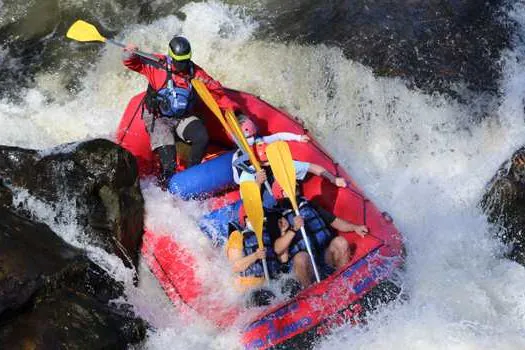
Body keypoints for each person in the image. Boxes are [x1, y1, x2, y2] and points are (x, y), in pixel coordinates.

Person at [122, 36, 238, 187]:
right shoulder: (156, 64)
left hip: (182, 117)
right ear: (171, 57)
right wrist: (129, 53)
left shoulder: (194, 72)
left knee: (201, 137)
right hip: (158, 117)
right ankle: (165, 187)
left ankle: (191, 177)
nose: (182, 65)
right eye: (179, 61)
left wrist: (236, 112)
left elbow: (217, 92)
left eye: (185, 60)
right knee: (169, 163)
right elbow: (131, 63)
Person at [271, 181, 368, 288]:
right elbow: (277, 249)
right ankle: (310, 295)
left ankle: (345, 284)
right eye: (293, 186)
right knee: (300, 258)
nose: (297, 186)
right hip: (305, 266)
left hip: (324, 257)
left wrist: (355, 227)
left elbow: (334, 221)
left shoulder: (308, 204)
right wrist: (294, 229)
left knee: (340, 242)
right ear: (282, 193)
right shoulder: (277, 217)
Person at [225, 204, 282, 306]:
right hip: (247, 291)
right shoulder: (237, 236)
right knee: (263, 296)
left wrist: (285, 231)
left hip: (270, 284)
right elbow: (235, 267)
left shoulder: (265, 233)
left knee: (290, 285)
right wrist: (255, 256)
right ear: (245, 219)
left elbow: (281, 259)